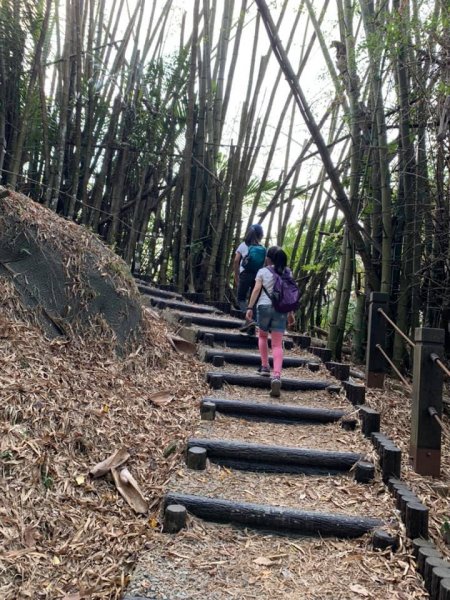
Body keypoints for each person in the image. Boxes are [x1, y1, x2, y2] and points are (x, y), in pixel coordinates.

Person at [245, 246, 295, 397]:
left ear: (268, 258)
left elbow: (256, 290)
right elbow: (289, 294)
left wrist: (249, 307)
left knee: (262, 336)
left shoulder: (263, 271)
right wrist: (291, 313)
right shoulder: (287, 272)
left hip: (264, 306)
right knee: (277, 343)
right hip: (281, 309)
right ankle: (277, 375)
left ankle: (265, 367)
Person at [233, 224, 265, 315]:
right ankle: (252, 320)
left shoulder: (243, 245)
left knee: (241, 298)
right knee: (253, 300)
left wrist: (236, 274)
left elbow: (236, 261)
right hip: (257, 275)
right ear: (260, 235)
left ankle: (247, 318)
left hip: (245, 274)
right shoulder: (261, 248)